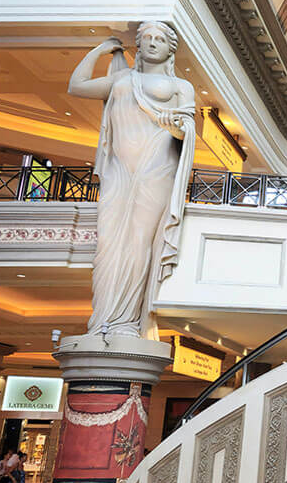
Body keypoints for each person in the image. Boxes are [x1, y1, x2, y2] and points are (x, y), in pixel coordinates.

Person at [68, 22, 197, 339]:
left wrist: (175, 125)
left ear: (170, 48)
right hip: (119, 171)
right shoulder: (122, 79)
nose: (153, 42)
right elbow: (77, 85)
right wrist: (101, 49)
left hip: (157, 167)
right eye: (148, 38)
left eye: (160, 38)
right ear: (139, 44)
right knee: (109, 244)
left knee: (139, 240)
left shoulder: (181, 86)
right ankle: (103, 319)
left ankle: (127, 321)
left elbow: (189, 133)